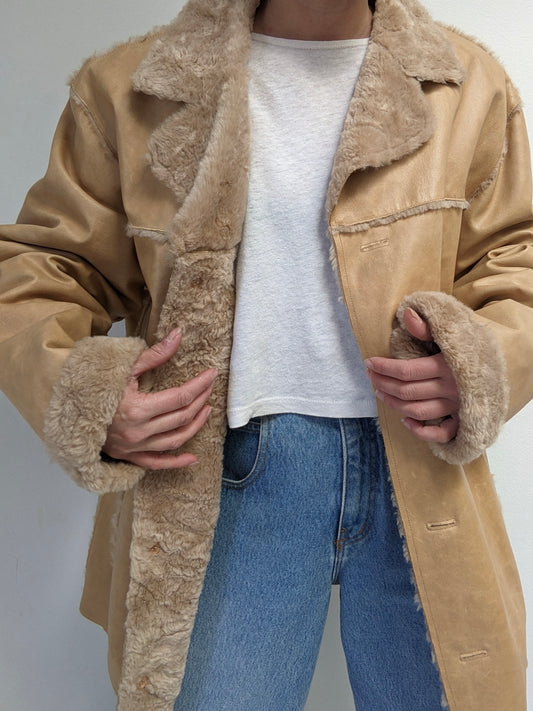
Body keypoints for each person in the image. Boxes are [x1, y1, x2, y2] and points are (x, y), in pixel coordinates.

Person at [0, 0, 532, 709]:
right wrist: (87, 395)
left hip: (421, 467)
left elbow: (516, 260)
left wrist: (481, 363)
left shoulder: (467, 85)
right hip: (224, 471)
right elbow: (42, 273)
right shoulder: (132, 88)